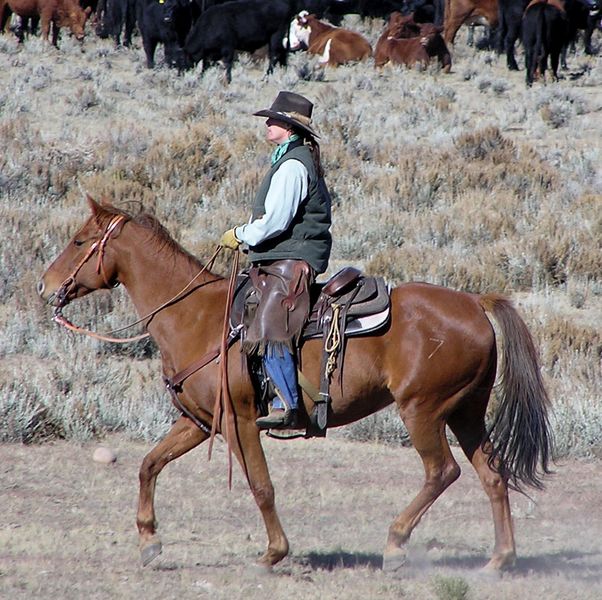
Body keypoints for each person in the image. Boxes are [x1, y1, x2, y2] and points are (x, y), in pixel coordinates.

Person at [220, 91, 332, 430]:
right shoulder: (290, 159)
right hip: (283, 256)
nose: (267, 124)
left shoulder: (294, 165)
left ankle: (291, 407)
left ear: (288, 127)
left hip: (292, 261)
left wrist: (241, 234)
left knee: (271, 328)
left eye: (273, 119)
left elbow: (276, 221)